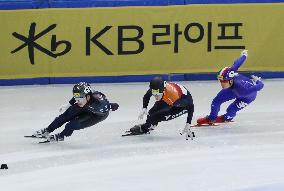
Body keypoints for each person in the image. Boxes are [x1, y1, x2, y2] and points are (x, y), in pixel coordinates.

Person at [32, 82, 119, 142]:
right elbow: (77, 96)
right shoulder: (82, 97)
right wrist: (68, 104)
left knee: (71, 125)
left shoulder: (99, 104)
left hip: (97, 115)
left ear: (88, 97)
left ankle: (61, 136)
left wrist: (111, 107)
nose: (77, 100)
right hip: (86, 106)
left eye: (79, 98)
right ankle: (47, 130)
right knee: (64, 116)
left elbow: (111, 106)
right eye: (76, 98)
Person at [197, 50, 264, 125]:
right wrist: (244, 55)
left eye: (224, 82)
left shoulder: (243, 91)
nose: (222, 84)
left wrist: (258, 81)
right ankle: (211, 118)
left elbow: (259, 87)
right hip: (233, 88)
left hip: (248, 96)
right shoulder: (230, 72)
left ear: (230, 80)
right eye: (220, 81)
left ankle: (226, 118)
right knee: (216, 101)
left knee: (231, 109)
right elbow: (238, 63)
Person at [127, 76, 195, 139]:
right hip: (168, 98)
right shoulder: (156, 88)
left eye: (158, 95)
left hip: (182, 105)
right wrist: (144, 108)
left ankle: (145, 128)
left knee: (156, 116)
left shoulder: (173, 96)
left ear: (163, 90)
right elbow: (146, 96)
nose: (156, 97)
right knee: (151, 113)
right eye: (154, 95)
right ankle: (151, 125)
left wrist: (188, 124)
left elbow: (191, 106)